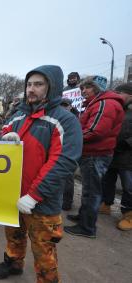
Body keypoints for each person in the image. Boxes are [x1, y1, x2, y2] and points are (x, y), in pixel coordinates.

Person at [0, 65, 82, 282]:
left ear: (51, 88)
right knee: (14, 235)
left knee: (44, 251)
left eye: (38, 84)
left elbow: (63, 163)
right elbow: (0, 136)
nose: (31, 89)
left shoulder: (65, 120)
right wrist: (4, 137)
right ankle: (14, 263)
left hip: (42, 203)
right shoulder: (18, 116)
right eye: (29, 84)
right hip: (14, 196)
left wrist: (34, 195)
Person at [65, 76, 125, 238]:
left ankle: (87, 227)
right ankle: (84, 217)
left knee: (92, 191)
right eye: (82, 88)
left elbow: (95, 131)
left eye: (87, 88)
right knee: (89, 189)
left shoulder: (105, 104)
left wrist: (73, 138)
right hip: (93, 152)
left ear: (97, 88)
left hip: (96, 153)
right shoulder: (97, 103)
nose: (83, 91)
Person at [100, 83, 132, 231]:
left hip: (128, 156)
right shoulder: (118, 108)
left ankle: (128, 214)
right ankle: (106, 204)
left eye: (120, 93)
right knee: (107, 180)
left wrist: (126, 143)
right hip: (111, 153)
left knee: (129, 186)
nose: (117, 95)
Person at [59, 98, 79, 211]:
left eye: (65, 105)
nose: (63, 107)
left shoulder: (74, 119)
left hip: (68, 151)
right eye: (61, 105)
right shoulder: (58, 116)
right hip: (57, 149)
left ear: (70, 106)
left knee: (68, 178)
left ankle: (67, 202)